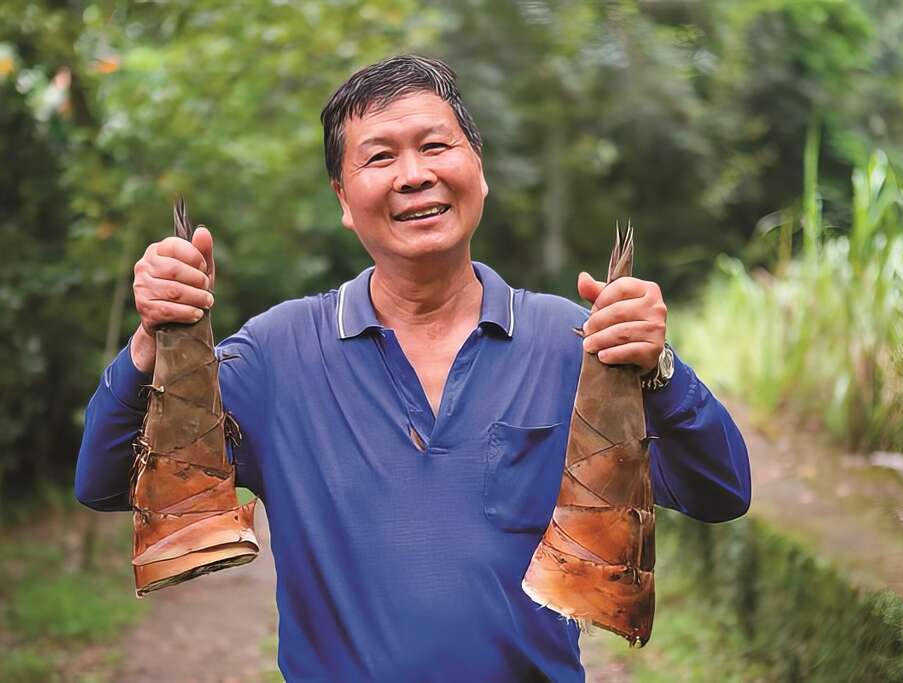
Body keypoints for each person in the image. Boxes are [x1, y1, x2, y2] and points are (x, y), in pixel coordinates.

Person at [75, 55, 750, 682]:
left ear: (477, 168)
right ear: (343, 197)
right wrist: (153, 343)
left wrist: (657, 366)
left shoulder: (571, 344)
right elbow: (105, 483)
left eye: (435, 146)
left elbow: (721, 492)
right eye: (380, 157)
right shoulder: (279, 354)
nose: (414, 174)